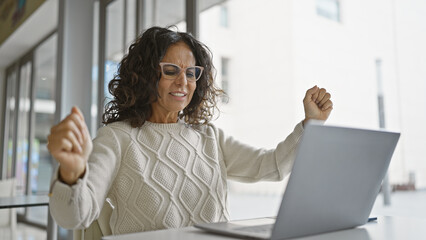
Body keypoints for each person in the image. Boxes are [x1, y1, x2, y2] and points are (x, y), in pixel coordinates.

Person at [47, 26, 333, 236]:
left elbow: (272, 167)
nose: (183, 81)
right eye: (170, 70)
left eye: (191, 72)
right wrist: (71, 173)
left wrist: (310, 125)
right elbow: (74, 216)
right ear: (146, 76)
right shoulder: (117, 138)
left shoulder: (209, 137)